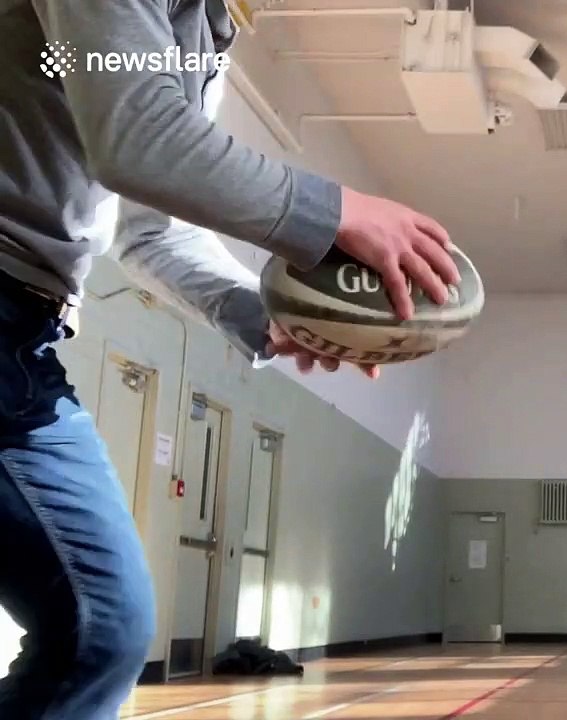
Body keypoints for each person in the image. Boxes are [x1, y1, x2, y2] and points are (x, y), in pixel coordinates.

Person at [0, 1, 460, 717]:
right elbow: (139, 139)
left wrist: (269, 315)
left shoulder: (199, 31)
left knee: (100, 627)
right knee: (94, 623)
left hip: (27, 336)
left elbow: (152, 234)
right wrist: (336, 213)